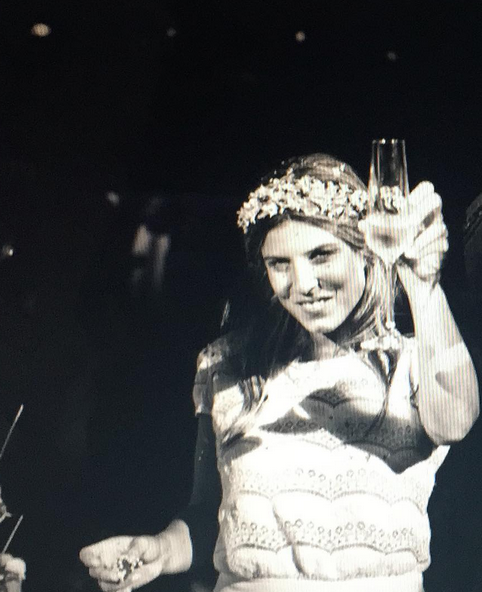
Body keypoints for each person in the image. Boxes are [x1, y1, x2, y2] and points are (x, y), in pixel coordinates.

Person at [79, 154, 479, 592]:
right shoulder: (228, 366)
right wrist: (160, 550)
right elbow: (211, 514)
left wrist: (422, 282)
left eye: (321, 255)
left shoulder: (410, 362)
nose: (302, 283)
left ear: (365, 252)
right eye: (279, 264)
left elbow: (456, 420)